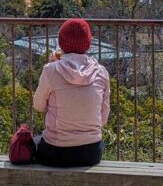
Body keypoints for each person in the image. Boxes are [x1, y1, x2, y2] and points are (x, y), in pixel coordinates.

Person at [33, 18, 110, 167]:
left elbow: (38, 106)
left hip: (57, 151)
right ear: (88, 43)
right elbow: (103, 119)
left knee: (31, 143)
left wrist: (52, 65)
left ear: (60, 43)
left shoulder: (51, 70)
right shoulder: (101, 72)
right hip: (92, 152)